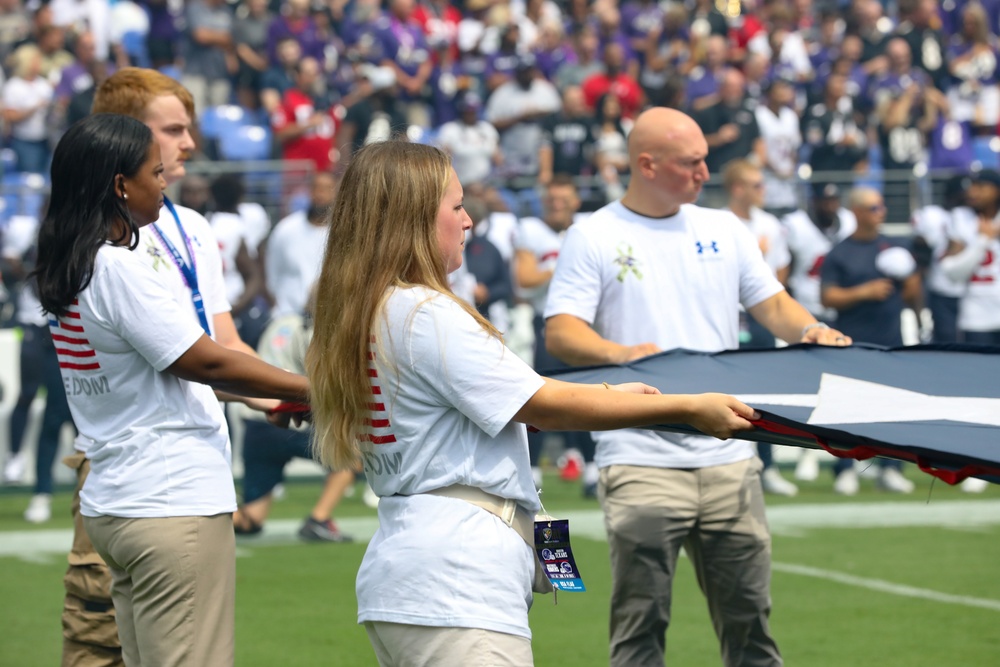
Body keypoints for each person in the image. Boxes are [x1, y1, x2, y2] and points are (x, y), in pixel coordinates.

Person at [305, 139, 760, 666]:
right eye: (455, 207)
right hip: (458, 578)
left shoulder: (374, 308)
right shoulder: (422, 311)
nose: (469, 220)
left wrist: (611, 395)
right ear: (413, 219)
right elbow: (543, 403)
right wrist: (684, 408)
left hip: (417, 569)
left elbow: (517, 398)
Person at [544, 107, 851, 667]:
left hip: (729, 450)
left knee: (751, 623)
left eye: (706, 159)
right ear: (646, 164)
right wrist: (621, 354)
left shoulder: (724, 228)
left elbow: (773, 304)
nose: (705, 173)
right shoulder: (594, 234)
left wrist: (809, 329)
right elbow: (561, 331)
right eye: (692, 162)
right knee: (640, 626)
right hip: (639, 457)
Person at [35, 113, 309, 667]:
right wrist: (315, 387)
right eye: (154, 172)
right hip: (169, 500)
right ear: (120, 186)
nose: (165, 183)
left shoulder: (73, 263)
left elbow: (168, 370)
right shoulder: (118, 268)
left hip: (117, 500)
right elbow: (205, 361)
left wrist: (271, 396)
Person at [820, 187, 921, 496]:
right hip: (852, 342)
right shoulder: (840, 252)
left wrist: (911, 282)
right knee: (847, 410)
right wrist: (864, 292)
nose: (882, 212)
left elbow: (912, 289)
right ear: (858, 212)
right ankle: (846, 469)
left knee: (892, 407)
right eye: (874, 207)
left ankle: (890, 468)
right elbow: (828, 296)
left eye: (882, 206)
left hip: (890, 340)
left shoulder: (895, 246)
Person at [513, 174, 600, 496]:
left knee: (592, 395)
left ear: (576, 201)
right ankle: (533, 471)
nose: (556, 206)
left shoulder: (589, 228)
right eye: (551, 200)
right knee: (540, 395)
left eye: (563, 200)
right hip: (545, 322)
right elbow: (523, 278)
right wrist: (562, 267)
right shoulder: (531, 230)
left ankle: (592, 471)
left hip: (585, 322)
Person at [721, 159, 798, 498]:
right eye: (756, 184)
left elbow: (780, 272)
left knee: (762, 389)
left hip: (759, 315)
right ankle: (729, 461)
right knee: (725, 388)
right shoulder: (720, 224)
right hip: (727, 315)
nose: (763, 190)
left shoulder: (770, 224)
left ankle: (767, 464)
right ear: (737, 188)